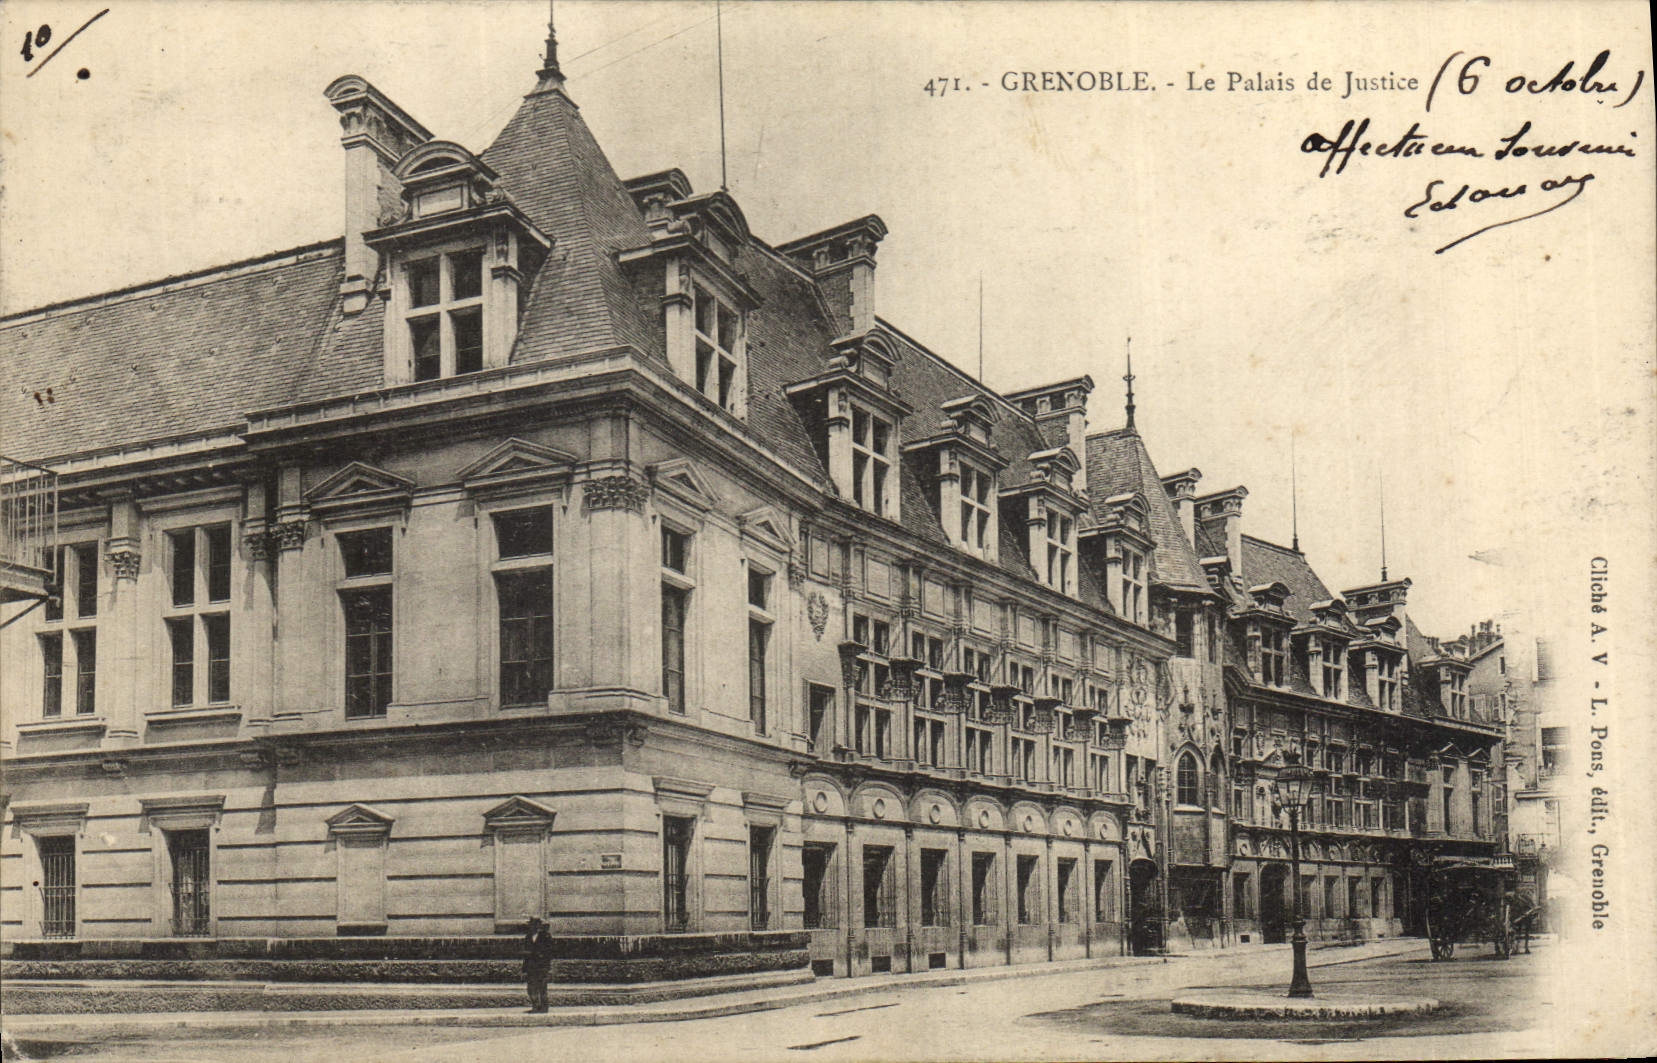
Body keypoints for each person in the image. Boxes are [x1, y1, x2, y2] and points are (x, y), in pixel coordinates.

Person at [523, 916, 553, 1013]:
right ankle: (535, 1006)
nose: (532, 926)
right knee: (531, 988)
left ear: (539, 926)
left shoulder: (545, 936)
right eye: (531, 925)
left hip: (541, 967)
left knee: (542, 987)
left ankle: (544, 1007)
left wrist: (547, 967)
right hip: (531, 967)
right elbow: (526, 954)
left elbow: (549, 953)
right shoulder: (528, 937)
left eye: (535, 924)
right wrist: (524, 969)